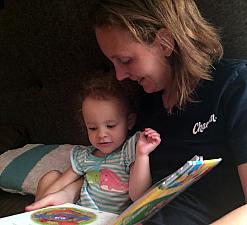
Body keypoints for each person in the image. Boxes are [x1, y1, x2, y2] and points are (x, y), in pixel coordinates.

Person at [26, 0, 247, 224]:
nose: (120, 76)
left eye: (125, 60)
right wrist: (71, 192)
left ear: (165, 42)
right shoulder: (145, 103)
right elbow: (114, 167)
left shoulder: (238, 83)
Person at [28, 75, 161, 214]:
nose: (101, 134)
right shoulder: (84, 156)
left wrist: (142, 155)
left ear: (130, 122)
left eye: (110, 125)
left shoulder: (129, 151)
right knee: (50, 176)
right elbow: (61, 183)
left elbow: (138, 196)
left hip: (111, 219)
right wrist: (41, 204)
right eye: (92, 128)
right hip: (80, 215)